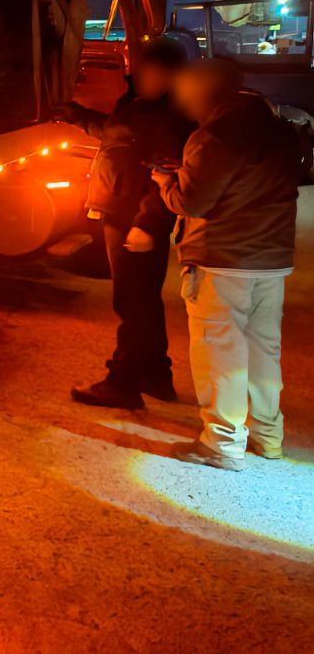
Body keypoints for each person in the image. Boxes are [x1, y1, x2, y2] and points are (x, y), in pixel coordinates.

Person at [153, 58, 303, 471]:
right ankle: (268, 436)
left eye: (184, 91)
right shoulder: (276, 127)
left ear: (203, 93)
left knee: (221, 352)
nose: (179, 100)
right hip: (271, 259)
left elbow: (193, 201)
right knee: (263, 351)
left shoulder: (214, 134)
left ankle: (222, 443)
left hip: (223, 259)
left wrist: (166, 182)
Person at [62, 36, 193, 409]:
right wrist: (78, 116)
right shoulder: (136, 104)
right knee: (143, 301)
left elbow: (166, 173)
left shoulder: (170, 116)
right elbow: (119, 135)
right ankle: (156, 375)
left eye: (161, 74)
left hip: (133, 218)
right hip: (120, 211)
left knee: (132, 303)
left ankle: (123, 383)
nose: (151, 79)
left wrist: (148, 224)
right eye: (147, 71)